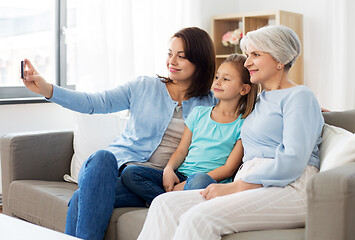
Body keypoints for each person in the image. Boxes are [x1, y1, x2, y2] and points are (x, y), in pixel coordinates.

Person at [21, 27, 218, 240]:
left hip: (152, 181)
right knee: (102, 158)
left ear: (200, 61)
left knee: (80, 198)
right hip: (110, 171)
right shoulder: (144, 86)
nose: (172, 61)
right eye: (170, 53)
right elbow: (95, 103)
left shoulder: (212, 102)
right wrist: (47, 89)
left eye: (181, 56)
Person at [137, 25, 325, 240]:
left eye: (255, 55)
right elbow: (227, 100)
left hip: (291, 187)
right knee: (164, 203)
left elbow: (292, 161)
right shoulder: (262, 99)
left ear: (279, 59)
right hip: (256, 183)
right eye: (247, 55)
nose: (247, 63)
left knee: (199, 218)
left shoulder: (300, 96)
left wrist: (238, 186)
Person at [121, 54, 258, 205]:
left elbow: (228, 169)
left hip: (207, 181)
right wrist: (169, 170)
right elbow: (181, 150)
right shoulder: (199, 113)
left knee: (199, 179)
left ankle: (164, 200)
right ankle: (166, 201)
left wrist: (188, 184)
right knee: (131, 173)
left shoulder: (243, 125)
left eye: (226, 79)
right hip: (182, 175)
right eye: (217, 77)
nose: (218, 82)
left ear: (244, 89)